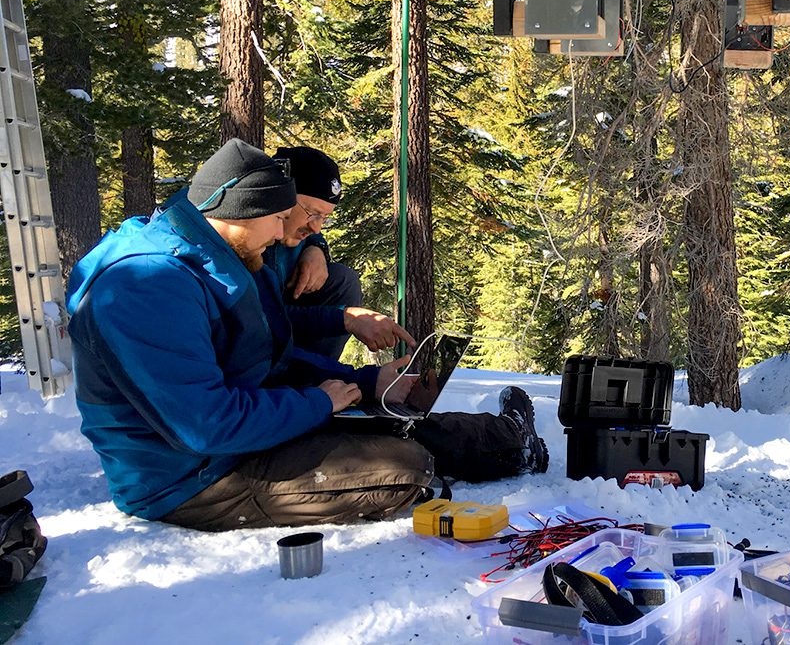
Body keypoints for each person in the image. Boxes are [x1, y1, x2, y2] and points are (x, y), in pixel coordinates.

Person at [68, 138, 549, 533]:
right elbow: (205, 426)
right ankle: (467, 452)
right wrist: (318, 404)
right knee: (404, 464)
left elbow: (269, 354)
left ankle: (508, 440)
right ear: (242, 207)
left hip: (231, 439)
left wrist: (361, 383)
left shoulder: (217, 254)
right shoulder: (147, 286)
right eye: (280, 218)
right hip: (190, 477)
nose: (284, 235)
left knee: (383, 421)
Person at [262, 146, 362, 361]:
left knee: (343, 280)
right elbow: (259, 318)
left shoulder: (296, 233)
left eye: (324, 218)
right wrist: (344, 319)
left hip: (281, 324)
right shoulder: (247, 242)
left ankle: (316, 379)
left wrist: (316, 247)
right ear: (278, 195)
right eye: (312, 213)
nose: (316, 228)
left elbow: (309, 230)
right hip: (251, 353)